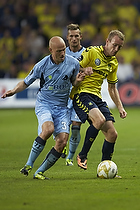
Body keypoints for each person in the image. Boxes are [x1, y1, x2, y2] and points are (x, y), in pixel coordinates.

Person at [1, 36, 93, 180]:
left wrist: (78, 81)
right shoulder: (42, 65)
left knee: (62, 141)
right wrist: (13, 90)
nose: (63, 53)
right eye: (59, 51)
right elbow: (26, 82)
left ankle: (40, 172)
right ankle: (28, 164)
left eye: (64, 50)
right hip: (45, 104)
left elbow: (73, 82)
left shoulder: (73, 63)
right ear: (50, 50)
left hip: (62, 108)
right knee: (48, 129)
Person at [70, 30, 127, 176]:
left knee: (112, 134)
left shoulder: (113, 63)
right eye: (114, 45)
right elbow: (72, 67)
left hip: (96, 97)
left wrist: (120, 107)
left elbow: (112, 87)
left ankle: (104, 169)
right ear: (107, 42)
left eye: (119, 47)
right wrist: (83, 70)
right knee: (100, 120)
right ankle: (82, 155)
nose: (116, 49)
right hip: (81, 94)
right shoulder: (92, 52)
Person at [62, 23, 85, 166]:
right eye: (71, 36)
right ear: (67, 37)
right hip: (63, 96)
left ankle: (70, 156)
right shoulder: (61, 53)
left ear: (80, 37)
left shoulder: (87, 53)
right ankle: (61, 144)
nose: (74, 39)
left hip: (78, 95)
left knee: (75, 127)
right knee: (61, 128)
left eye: (77, 36)